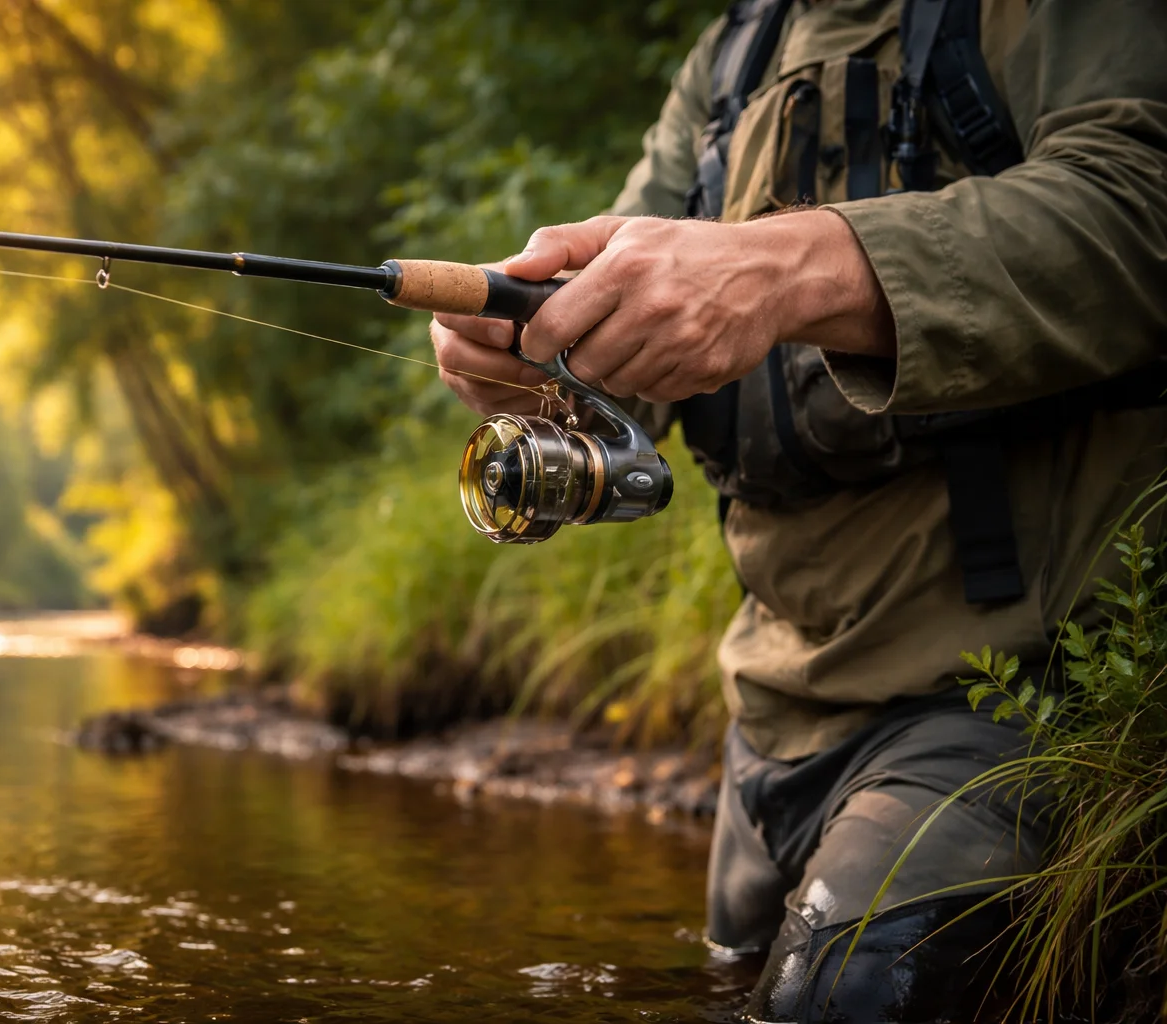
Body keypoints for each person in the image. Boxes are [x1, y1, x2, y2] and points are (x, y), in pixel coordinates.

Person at [429, 0, 1167, 1020]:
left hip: (1006, 703)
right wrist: (526, 355)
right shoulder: (734, 52)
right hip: (766, 723)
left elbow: (1141, 207)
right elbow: (615, 357)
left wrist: (796, 266)